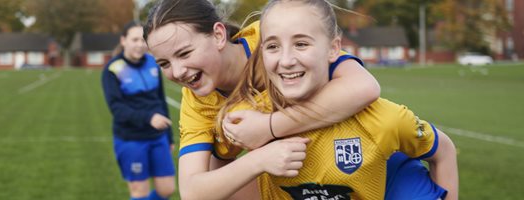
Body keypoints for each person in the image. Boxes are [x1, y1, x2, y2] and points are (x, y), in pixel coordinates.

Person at [219, 0, 459, 199]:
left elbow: (444, 150)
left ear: (334, 49)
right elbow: (207, 186)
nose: (286, 60)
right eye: (272, 46)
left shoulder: (382, 120)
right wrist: (255, 161)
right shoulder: (247, 119)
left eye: (301, 44)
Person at [144, 0, 380, 199]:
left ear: (218, 35)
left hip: (367, 157)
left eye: (184, 53)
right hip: (309, 180)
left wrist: (268, 127)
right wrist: (259, 160)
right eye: (164, 63)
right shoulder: (196, 105)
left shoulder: (269, 36)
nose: (177, 71)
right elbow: (192, 191)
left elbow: (363, 86)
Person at [102, 21, 175, 200]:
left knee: (167, 190)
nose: (140, 45)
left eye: (143, 40)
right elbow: (117, 109)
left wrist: (169, 136)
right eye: (134, 40)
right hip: (131, 140)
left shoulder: (153, 63)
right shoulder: (113, 69)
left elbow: (160, 100)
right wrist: (149, 117)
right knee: (139, 193)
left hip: (158, 137)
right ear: (123, 41)